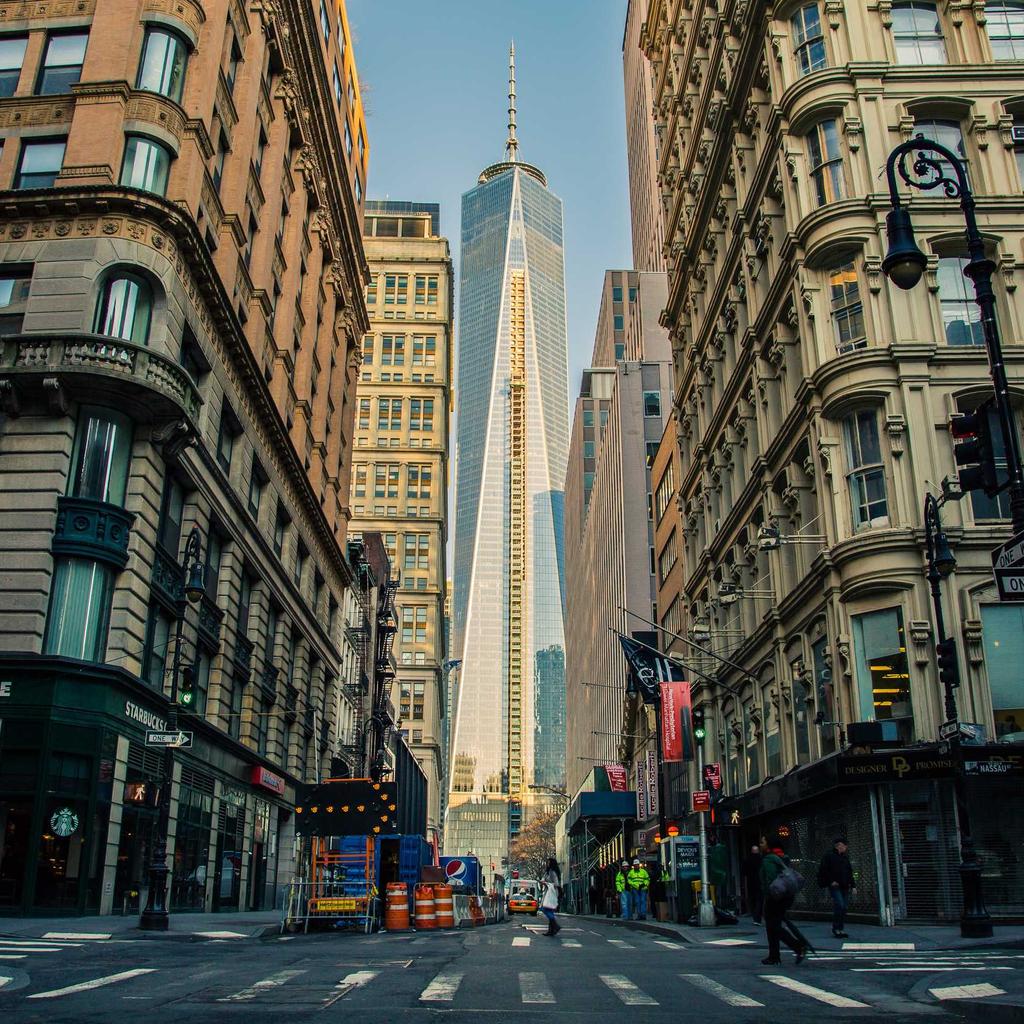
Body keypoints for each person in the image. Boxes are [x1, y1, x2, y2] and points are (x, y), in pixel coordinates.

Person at [759, 833, 808, 966]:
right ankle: (774, 956)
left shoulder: (768, 859)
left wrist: (768, 894)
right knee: (772, 926)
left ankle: (798, 947)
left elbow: (770, 879)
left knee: (773, 926)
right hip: (786, 896)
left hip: (775, 896)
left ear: (769, 845)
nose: (760, 845)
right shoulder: (781, 857)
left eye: (763, 842)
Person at [817, 836, 856, 938]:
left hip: (844, 885)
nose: (845, 848)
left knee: (843, 907)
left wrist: (853, 885)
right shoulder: (829, 856)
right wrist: (831, 881)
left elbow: (849, 872)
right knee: (840, 904)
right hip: (835, 885)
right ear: (839, 846)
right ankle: (836, 928)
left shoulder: (844, 857)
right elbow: (824, 870)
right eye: (844, 845)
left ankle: (840, 928)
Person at [742, 844, 763, 924]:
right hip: (759, 882)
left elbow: (743, 872)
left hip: (750, 882)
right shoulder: (761, 859)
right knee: (759, 900)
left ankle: (755, 917)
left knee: (753, 900)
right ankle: (758, 918)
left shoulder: (747, 859)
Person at [541, 857, 562, 936]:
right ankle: (551, 930)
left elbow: (556, 884)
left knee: (545, 909)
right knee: (549, 910)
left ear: (552, 863)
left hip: (552, 893)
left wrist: (546, 883)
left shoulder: (552, 872)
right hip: (548, 892)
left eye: (549, 862)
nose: (547, 864)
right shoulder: (548, 872)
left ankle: (555, 926)